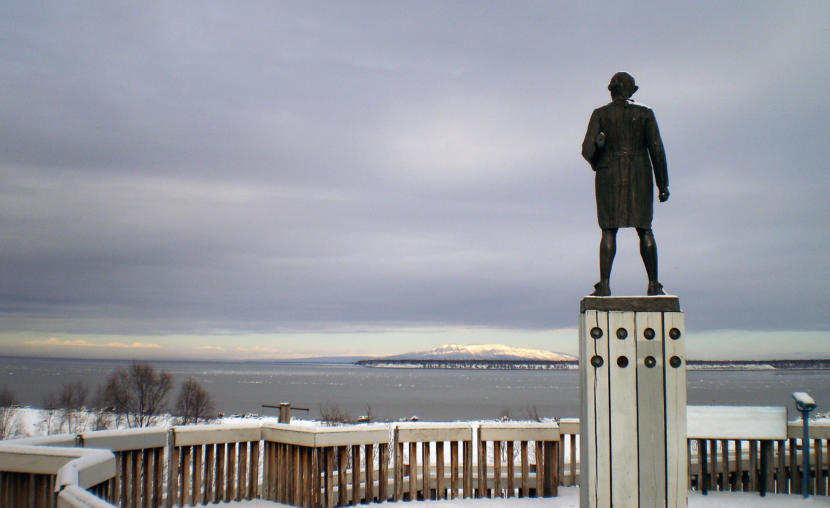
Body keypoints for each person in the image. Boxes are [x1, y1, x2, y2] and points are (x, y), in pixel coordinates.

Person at [581, 72, 670, 296]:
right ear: (630, 90)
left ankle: (604, 284)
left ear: (612, 90)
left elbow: (587, 150)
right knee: (645, 229)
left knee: (609, 230)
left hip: (608, 174)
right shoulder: (645, 113)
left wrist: (599, 152)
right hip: (640, 173)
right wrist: (663, 184)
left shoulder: (600, 114)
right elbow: (656, 149)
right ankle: (653, 283)